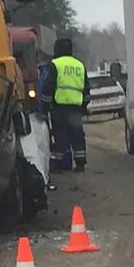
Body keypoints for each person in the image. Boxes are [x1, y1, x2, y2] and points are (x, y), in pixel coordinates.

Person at [41, 38, 90, 172]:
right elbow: (86, 88)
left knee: (59, 135)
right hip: (76, 108)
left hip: (59, 107)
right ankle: (80, 163)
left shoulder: (55, 64)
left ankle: (57, 164)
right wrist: (84, 106)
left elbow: (48, 86)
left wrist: (45, 107)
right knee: (77, 135)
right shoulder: (79, 65)